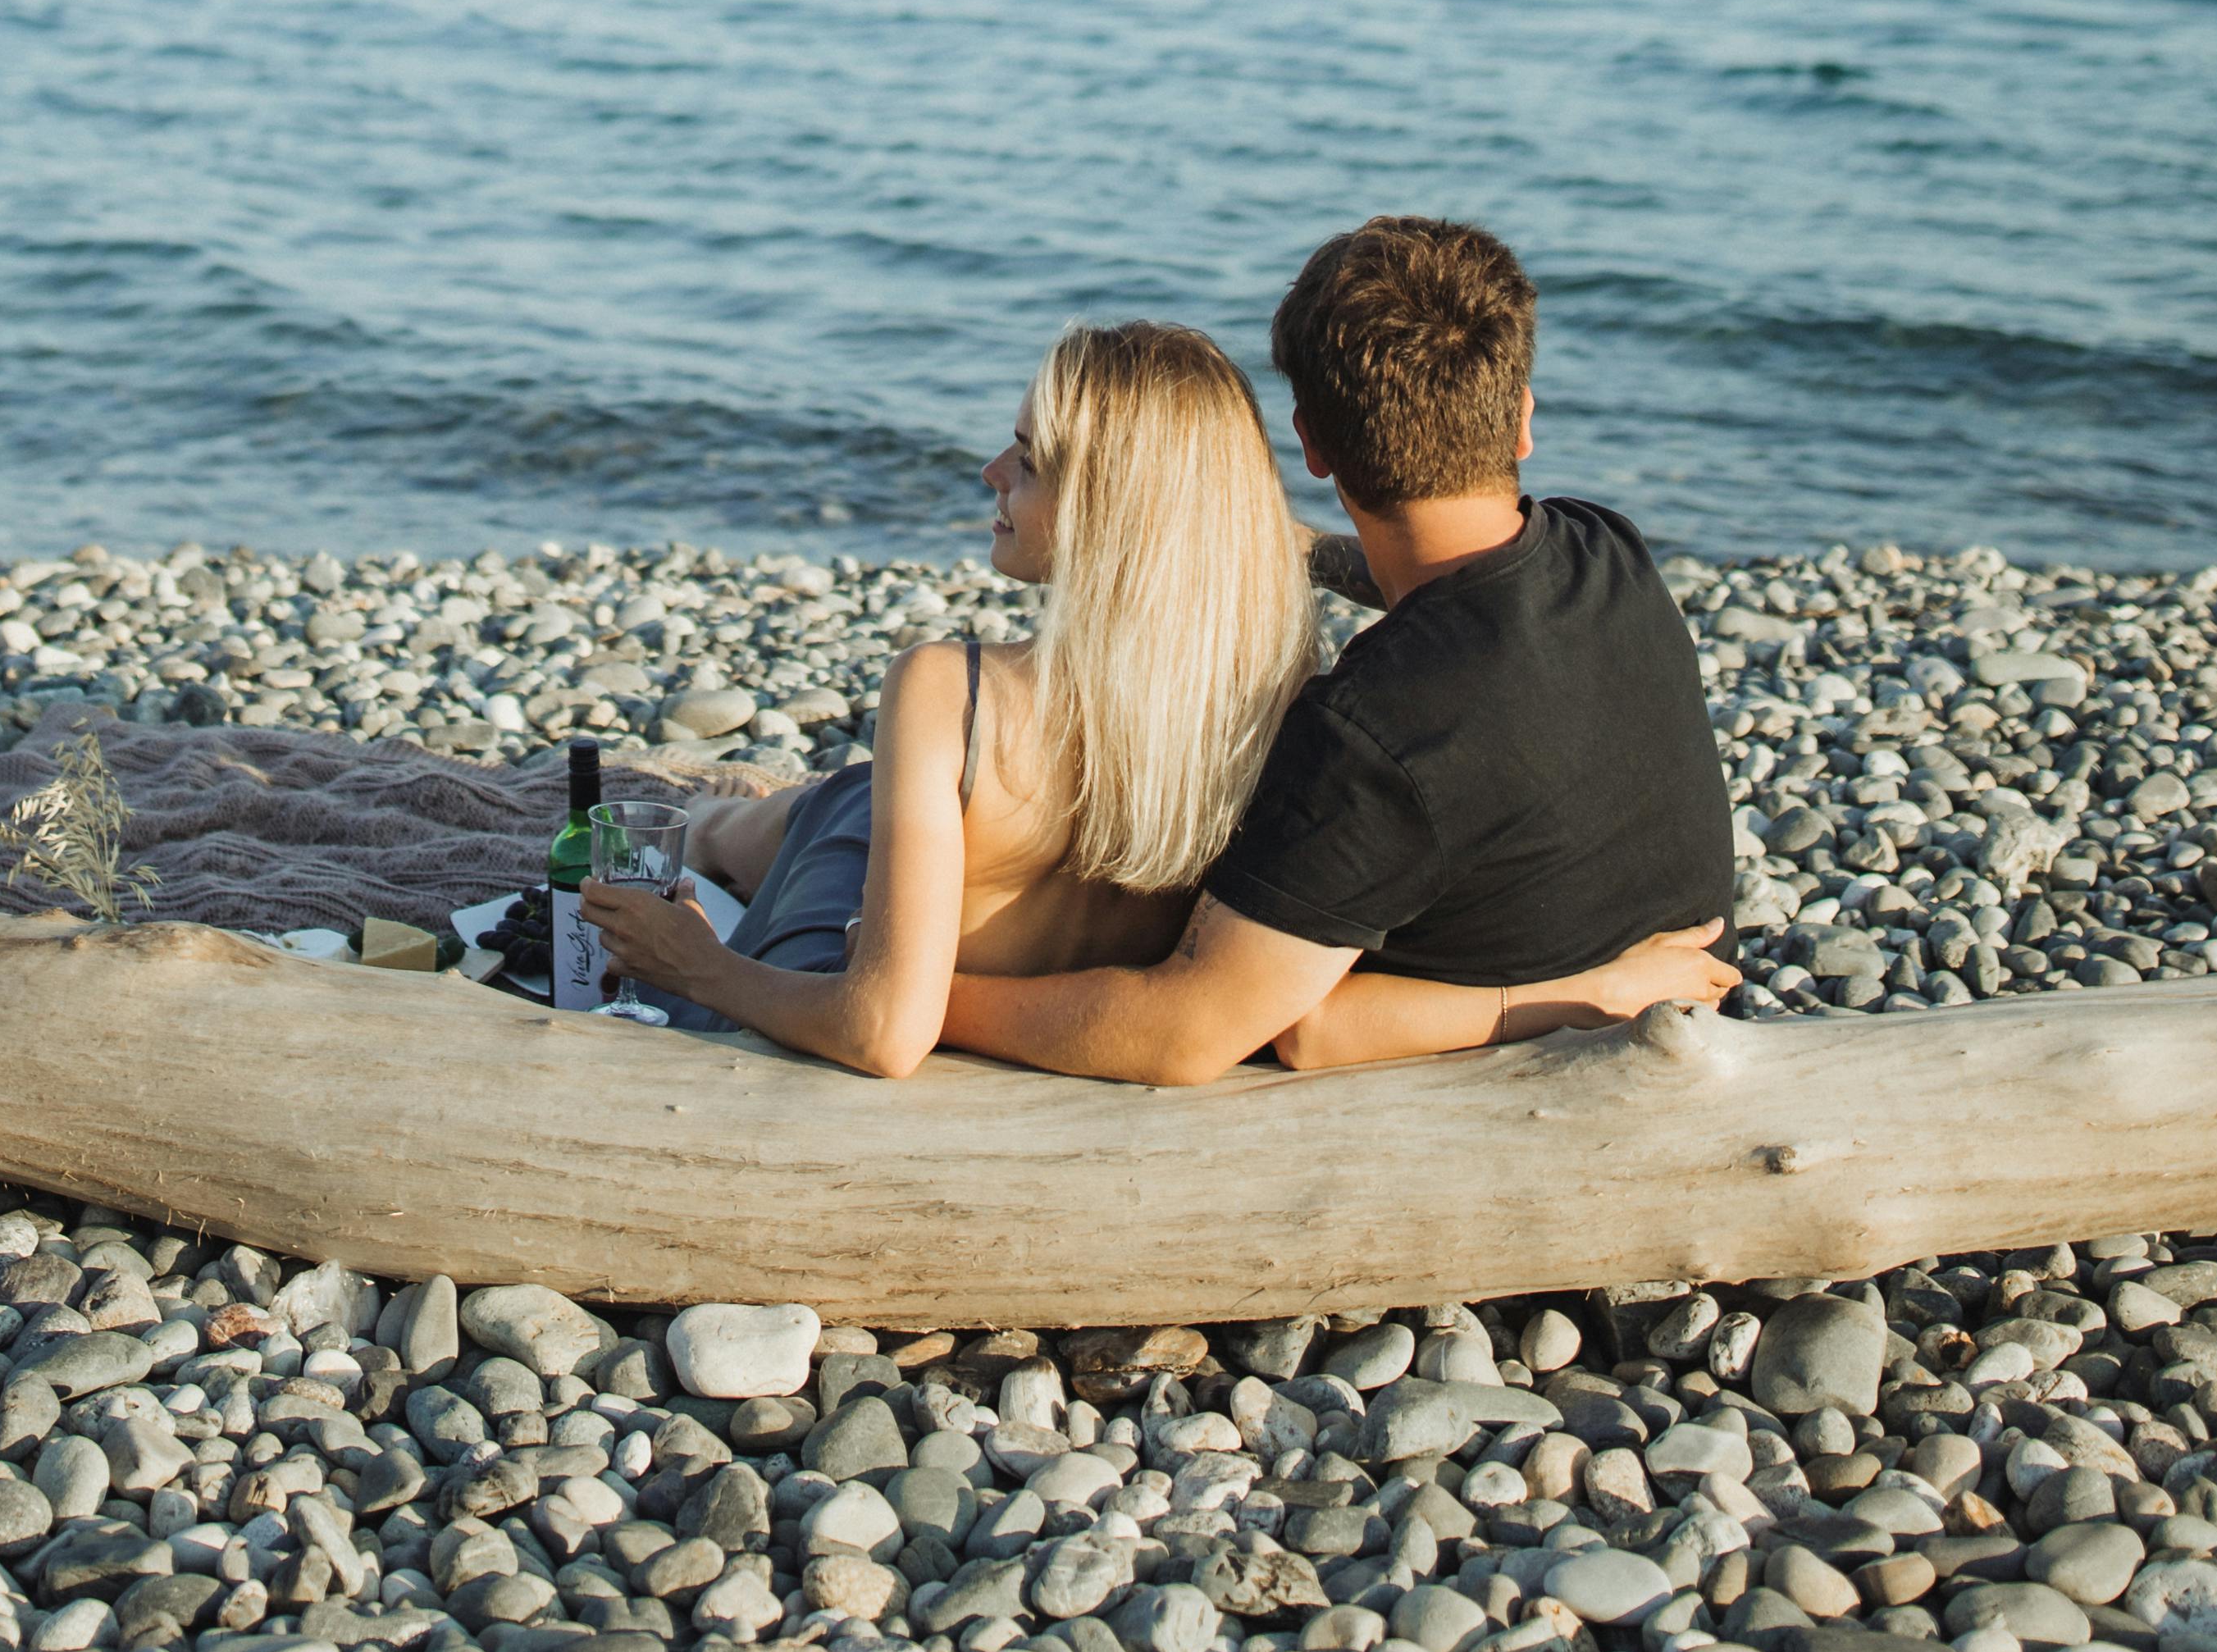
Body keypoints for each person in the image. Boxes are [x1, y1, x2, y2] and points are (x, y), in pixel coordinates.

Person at [579, 310, 1724, 1080]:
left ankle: (689, 828)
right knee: (836, 800)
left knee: (804, 816)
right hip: (1051, 954)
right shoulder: (1285, 691)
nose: (993, 474)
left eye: (1026, 459)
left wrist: (703, 967)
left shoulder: (950, 686)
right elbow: (1411, 579)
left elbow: (884, 1029)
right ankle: (711, 823)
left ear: (1103, 512)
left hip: (850, 968)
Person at [937, 216, 1737, 1086]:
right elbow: (1439, 584)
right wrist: (1296, 547)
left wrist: (925, 998)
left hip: (1518, 1106)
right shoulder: (1604, 552)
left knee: (850, 822)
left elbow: (1198, 1033)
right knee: (822, 813)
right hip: (1702, 1017)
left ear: (1311, 444)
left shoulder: (1373, 728)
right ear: (1521, 422)